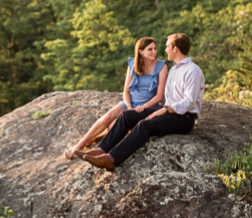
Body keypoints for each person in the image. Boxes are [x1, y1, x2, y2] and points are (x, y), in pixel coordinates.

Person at [80, 33, 205, 171]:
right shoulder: (174, 70)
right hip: (168, 112)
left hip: (184, 118)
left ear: (175, 49)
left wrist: (165, 109)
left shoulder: (192, 70)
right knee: (126, 115)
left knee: (144, 125)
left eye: (167, 46)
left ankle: (111, 159)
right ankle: (101, 151)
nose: (164, 50)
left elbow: (190, 101)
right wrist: (159, 110)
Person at [63, 37, 168, 160]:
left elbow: (159, 96)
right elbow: (126, 91)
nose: (154, 52)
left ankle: (102, 141)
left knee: (114, 126)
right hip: (131, 103)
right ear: (140, 51)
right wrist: (128, 107)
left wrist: (143, 107)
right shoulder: (132, 64)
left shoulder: (162, 66)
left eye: (155, 48)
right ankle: (80, 145)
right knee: (108, 117)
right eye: (150, 49)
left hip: (147, 106)